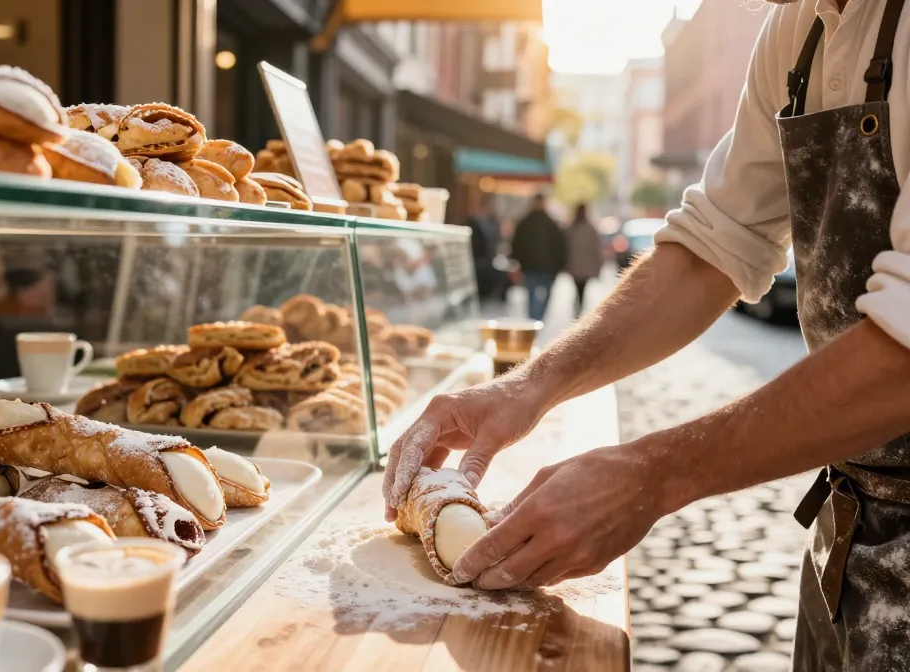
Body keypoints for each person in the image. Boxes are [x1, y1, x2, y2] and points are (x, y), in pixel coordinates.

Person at [382, 1, 910, 669]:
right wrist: (528, 387)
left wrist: (652, 474)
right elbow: (714, 245)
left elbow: (904, 355)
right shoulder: (796, 29)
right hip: (852, 541)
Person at [510, 194, 567, 322]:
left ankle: (533, 319)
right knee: (544, 295)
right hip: (546, 268)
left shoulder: (525, 222)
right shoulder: (551, 223)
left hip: (531, 267)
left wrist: (518, 262)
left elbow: (516, 244)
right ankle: (538, 318)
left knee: (531, 295)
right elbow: (561, 246)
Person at [564, 203, 604, 317]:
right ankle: (578, 309)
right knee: (581, 289)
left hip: (575, 266)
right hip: (585, 266)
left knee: (578, 288)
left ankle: (577, 309)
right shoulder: (590, 229)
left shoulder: (572, 228)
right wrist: (599, 264)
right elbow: (597, 249)